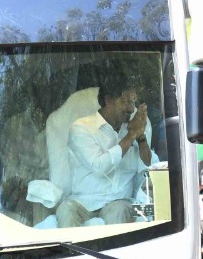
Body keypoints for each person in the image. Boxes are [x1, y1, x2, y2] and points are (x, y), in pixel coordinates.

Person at [59, 80, 152, 227]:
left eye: (133, 102)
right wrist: (130, 136)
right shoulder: (81, 128)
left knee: (121, 211)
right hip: (83, 202)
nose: (131, 108)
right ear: (108, 100)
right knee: (66, 210)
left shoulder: (135, 127)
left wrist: (140, 136)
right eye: (126, 101)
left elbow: (147, 167)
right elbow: (99, 167)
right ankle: (71, 251)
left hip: (119, 202)